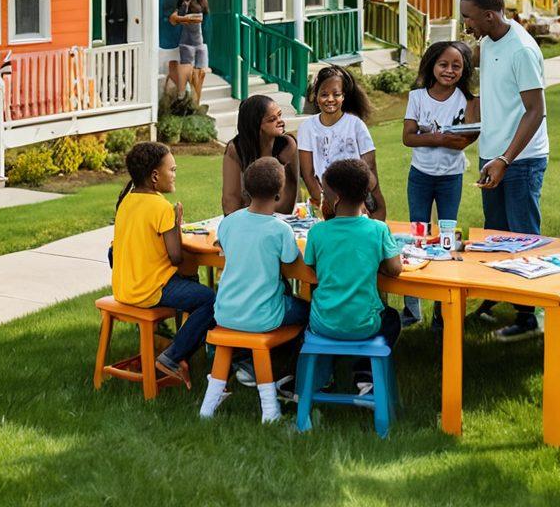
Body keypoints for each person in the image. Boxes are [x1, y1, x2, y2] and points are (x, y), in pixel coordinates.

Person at [460, 0, 549, 341]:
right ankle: (499, 296)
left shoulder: (522, 50)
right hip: (491, 155)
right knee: (495, 233)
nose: (466, 25)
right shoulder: (488, 41)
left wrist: (505, 159)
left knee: (522, 236)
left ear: (489, 15)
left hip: (520, 160)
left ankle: (531, 315)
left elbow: (535, 110)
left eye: (468, 18)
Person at [202, 158, 310, 422]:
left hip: (225, 312)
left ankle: (207, 409)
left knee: (282, 303)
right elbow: (290, 262)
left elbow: (225, 247)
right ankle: (291, 382)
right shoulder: (280, 230)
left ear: (247, 191)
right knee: (308, 312)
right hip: (262, 316)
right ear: (280, 193)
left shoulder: (228, 223)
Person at [111, 142, 215, 386]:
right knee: (211, 300)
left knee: (192, 286)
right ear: (155, 176)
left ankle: (178, 348)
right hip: (150, 289)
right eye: (173, 170)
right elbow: (176, 257)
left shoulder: (126, 201)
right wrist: (176, 225)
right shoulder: (161, 207)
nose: (175, 175)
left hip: (124, 286)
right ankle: (173, 356)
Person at [304, 158, 403, 392]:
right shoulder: (378, 229)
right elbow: (395, 269)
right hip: (364, 324)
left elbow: (311, 266)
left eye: (324, 193)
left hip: (323, 322)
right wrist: (374, 262)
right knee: (393, 318)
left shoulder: (318, 231)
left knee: (311, 313)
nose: (322, 196)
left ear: (335, 198)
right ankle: (365, 373)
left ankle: (323, 374)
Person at [400, 40, 479, 328]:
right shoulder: (418, 97)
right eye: (443, 64)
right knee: (417, 238)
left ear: (464, 70)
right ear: (431, 65)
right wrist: (442, 137)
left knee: (446, 241)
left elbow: (465, 141)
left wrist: (430, 135)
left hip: (450, 178)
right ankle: (412, 308)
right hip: (420, 175)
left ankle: (441, 310)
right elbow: (408, 137)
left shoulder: (468, 100)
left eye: (456, 66)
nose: (449, 70)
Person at [297, 65, 386, 219]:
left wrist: (359, 204)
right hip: (328, 202)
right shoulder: (307, 127)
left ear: (343, 96)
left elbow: (370, 171)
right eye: (324, 94)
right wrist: (327, 203)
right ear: (315, 96)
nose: (330, 99)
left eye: (336, 94)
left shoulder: (356, 125)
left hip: (359, 201)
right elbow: (308, 174)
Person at [221, 94, 299, 215]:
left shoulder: (287, 146)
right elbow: (230, 199)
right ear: (256, 125)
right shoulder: (236, 149)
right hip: (244, 219)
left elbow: (288, 200)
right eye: (272, 120)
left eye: (279, 115)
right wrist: (235, 225)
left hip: (278, 218)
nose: (280, 122)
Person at [171, 0, 209, 107]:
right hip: (198, 43)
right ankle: (194, 101)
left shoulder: (189, 6)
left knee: (191, 72)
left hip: (189, 43)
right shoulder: (199, 2)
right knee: (197, 75)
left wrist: (182, 12)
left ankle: (186, 97)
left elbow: (178, 18)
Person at [159, 0, 182, 98]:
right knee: (173, 63)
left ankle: (177, 94)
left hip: (171, 33)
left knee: (174, 63)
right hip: (168, 33)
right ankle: (176, 94)